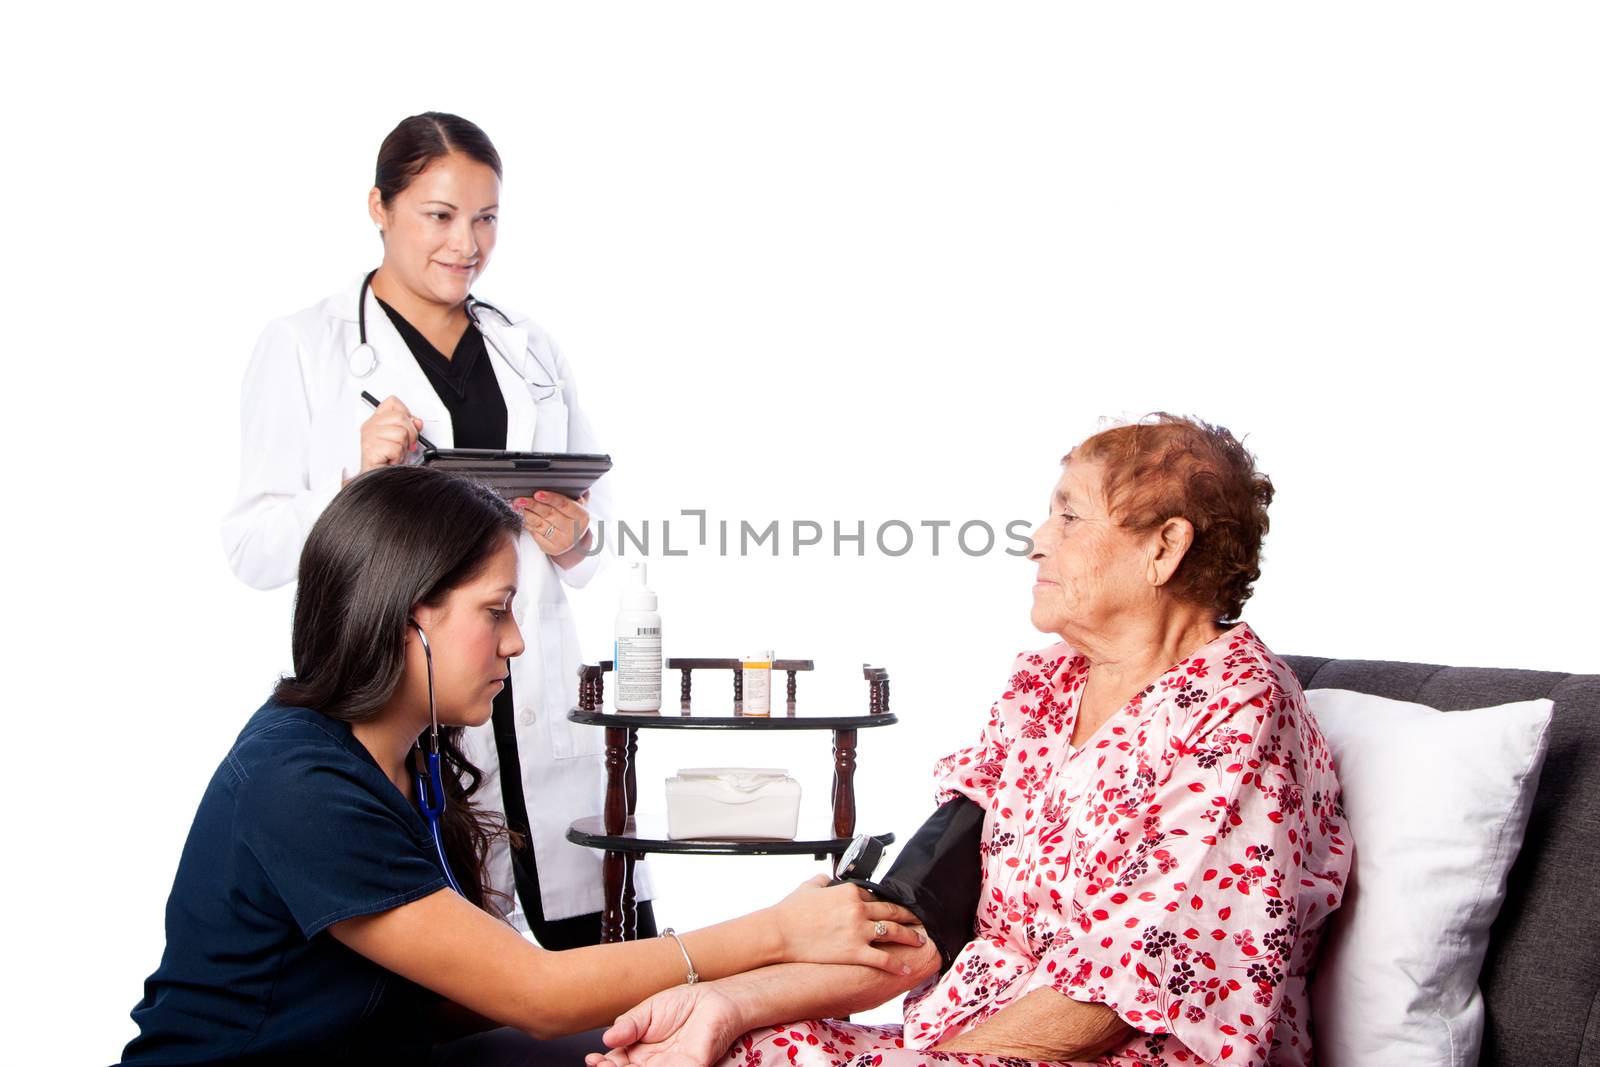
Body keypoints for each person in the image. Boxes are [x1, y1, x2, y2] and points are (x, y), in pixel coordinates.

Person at [590, 415, 1351, 1067]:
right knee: (727, 1049)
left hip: (1103, 1052)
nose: (1035, 541)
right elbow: (920, 921)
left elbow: (1116, 998)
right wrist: (724, 1003)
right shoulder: (1046, 687)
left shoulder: (1237, 714)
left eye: (1070, 517)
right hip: (970, 1039)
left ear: (1164, 547)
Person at [127, 466, 925, 1065]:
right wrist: (777, 933)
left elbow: (457, 994)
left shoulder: (414, 760)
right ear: (410, 615)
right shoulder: (298, 783)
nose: (515, 641)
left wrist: (693, 996)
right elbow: (532, 995)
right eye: (494, 609)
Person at [220, 112, 630, 947]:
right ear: (379, 205)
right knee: (457, 965)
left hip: (536, 687)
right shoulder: (307, 348)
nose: (465, 243)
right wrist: (356, 485)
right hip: (408, 686)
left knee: (597, 954)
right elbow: (252, 545)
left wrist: (573, 536)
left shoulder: (530, 349)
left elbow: (598, 529)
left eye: (485, 219)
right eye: (438, 216)